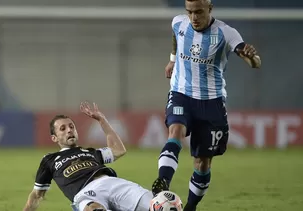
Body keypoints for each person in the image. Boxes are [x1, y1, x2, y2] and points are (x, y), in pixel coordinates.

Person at [151, 0, 262, 211]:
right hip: (181, 93)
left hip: (212, 102)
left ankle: (190, 207)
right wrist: (173, 60)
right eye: (190, 12)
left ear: (210, 9)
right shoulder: (178, 23)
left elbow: (254, 63)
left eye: (199, 12)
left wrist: (253, 58)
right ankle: (162, 182)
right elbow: (176, 39)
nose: (194, 17)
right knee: (175, 131)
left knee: (202, 163)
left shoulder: (226, 33)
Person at [23, 102, 155, 211]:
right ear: (54, 138)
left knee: (161, 205)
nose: (69, 130)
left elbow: (118, 150)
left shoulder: (90, 152)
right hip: (86, 194)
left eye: (71, 126)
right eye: (63, 129)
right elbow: (37, 195)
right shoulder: (50, 160)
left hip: (113, 183)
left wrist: (102, 120)